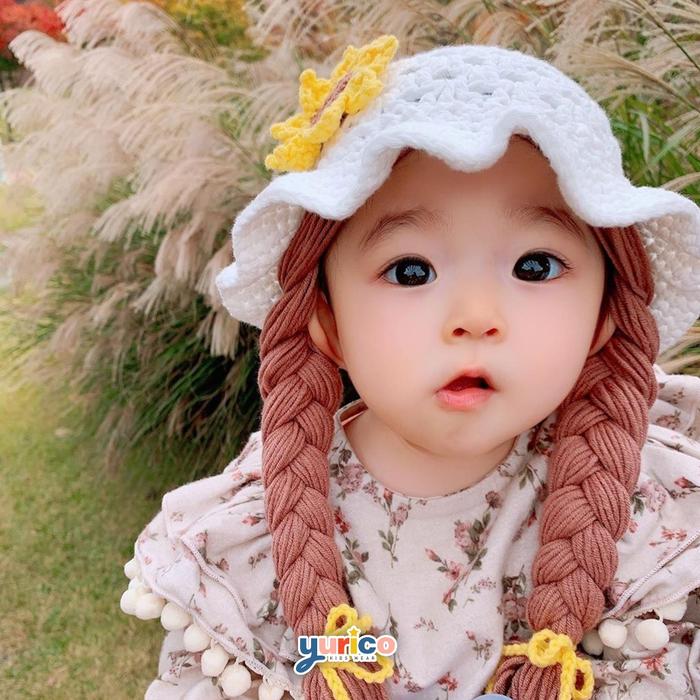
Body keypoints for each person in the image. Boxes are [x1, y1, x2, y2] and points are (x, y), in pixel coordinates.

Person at [119, 36, 700, 700]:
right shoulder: (257, 541)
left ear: (606, 316)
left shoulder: (647, 511)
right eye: (410, 271)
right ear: (326, 321)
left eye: (535, 266)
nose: (476, 317)